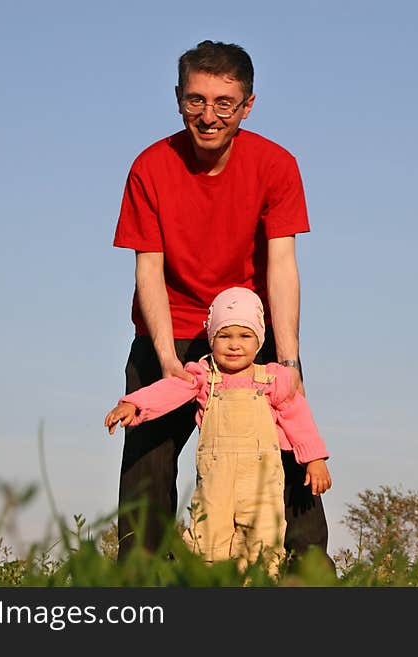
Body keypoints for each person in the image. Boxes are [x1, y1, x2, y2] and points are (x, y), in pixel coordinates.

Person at [112, 39, 333, 568]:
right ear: (178, 98)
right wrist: (166, 358)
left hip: (247, 334)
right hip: (170, 327)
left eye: (223, 103)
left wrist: (289, 358)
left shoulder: (276, 165)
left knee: (284, 440)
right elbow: (149, 267)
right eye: (195, 100)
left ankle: (307, 570)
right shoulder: (150, 166)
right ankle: (141, 578)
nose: (208, 116)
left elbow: (281, 264)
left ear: (247, 105)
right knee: (149, 457)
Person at [105, 287, 331, 575]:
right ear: (212, 339)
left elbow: (298, 418)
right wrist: (135, 404)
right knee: (208, 546)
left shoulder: (273, 380)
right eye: (225, 336)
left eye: (244, 336)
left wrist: (314, 458)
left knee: (262, 548)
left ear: (260, 340)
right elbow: (170, 390)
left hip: (261, 488)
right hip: (215, 487)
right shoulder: (202, 377)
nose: (234, 345)